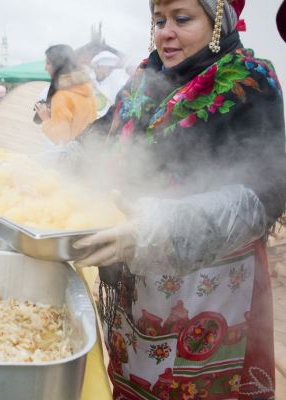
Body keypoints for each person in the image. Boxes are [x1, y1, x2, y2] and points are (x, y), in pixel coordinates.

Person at [72, 0, 286, 398]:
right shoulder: (144, 76)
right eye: (158, 19)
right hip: (136, 283)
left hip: (210, 292)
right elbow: (96, 140)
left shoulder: (250, 80)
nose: (165, 31)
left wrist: (164, 226)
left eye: (181, 19)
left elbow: (266, 191)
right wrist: (36, 168)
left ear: (218, 18)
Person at [34, 44, 97, 145]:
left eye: (48, 63)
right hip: (88, 150)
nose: (45, 68)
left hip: (70, 158)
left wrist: (46, 119)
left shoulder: (61, 96)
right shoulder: (87, 87)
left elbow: (61, 140)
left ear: (58, 65)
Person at [90, 51, 130, 117]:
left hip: (101, 121)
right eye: (109, 68)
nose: (111, 70)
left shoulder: (113, 83)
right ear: (100, 66)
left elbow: (119, 96)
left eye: (112, 68)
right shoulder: (86, 79)